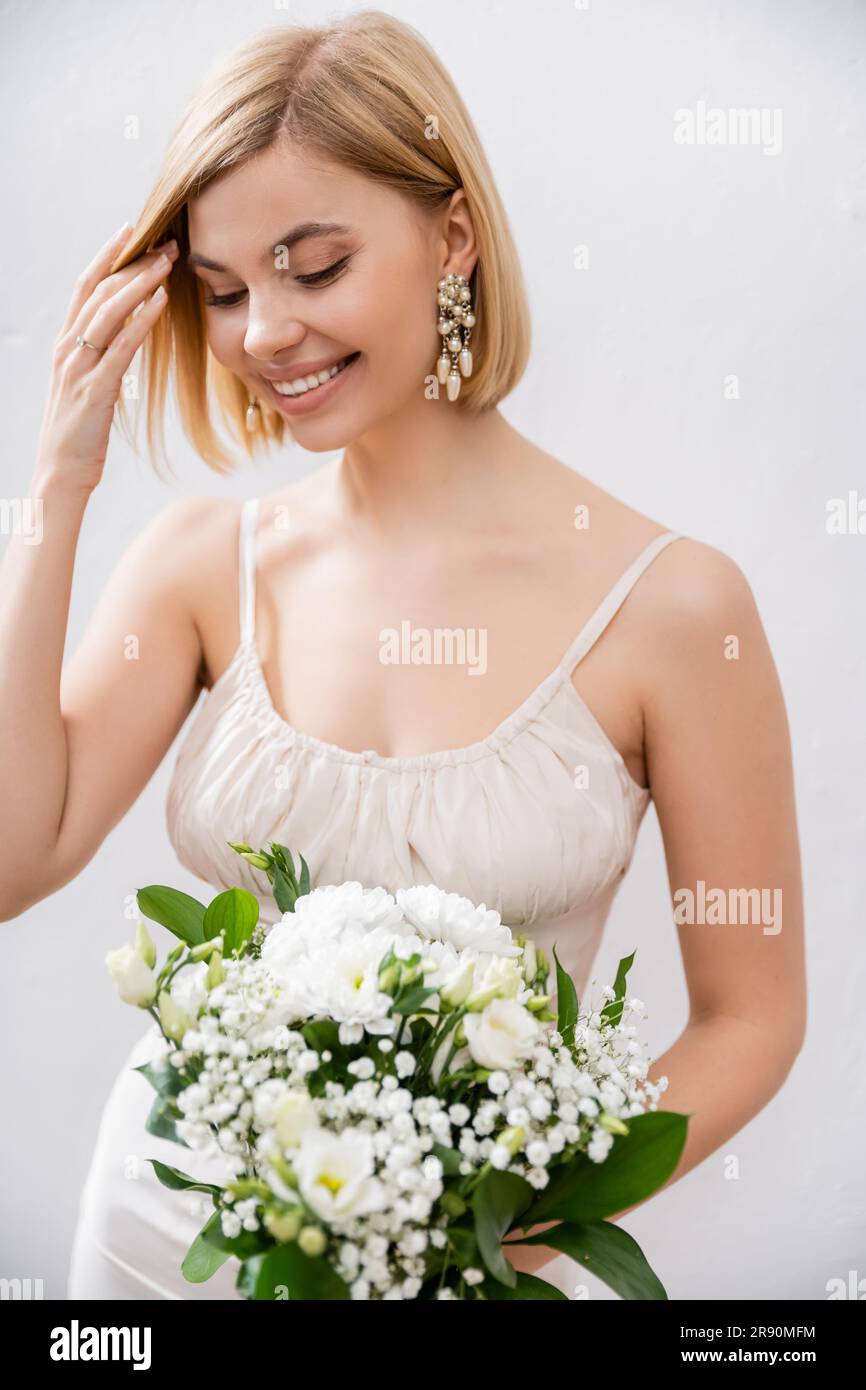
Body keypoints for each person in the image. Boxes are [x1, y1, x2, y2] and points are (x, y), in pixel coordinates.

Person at [0, 11, 806, 1300]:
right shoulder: (204, 568)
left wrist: (498, 1227)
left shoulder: (672, 608)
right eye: (220, 292)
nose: (262, 331)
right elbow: (7, 860)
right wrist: (57, 486)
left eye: (312, 268)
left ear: (453, 237)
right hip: (162, 1244)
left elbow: (752, 1019)